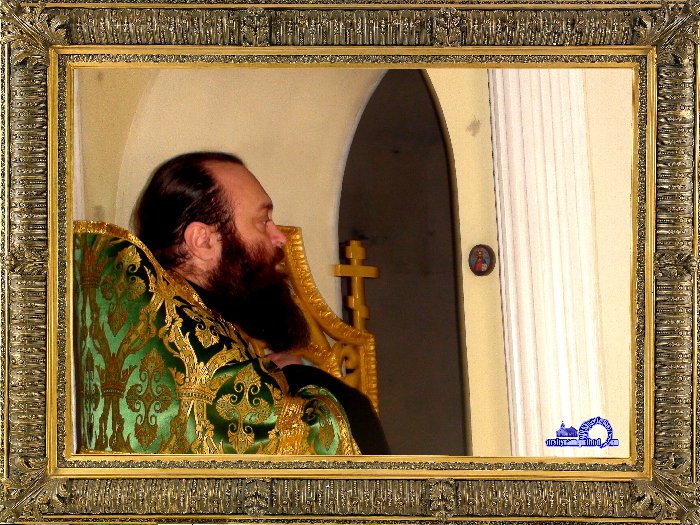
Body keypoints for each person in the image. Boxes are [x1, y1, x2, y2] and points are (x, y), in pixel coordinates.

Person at [133, 151, 389, 455]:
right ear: (202, 241)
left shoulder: (173, 323)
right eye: (263, 220)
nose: (279, 237)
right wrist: (301, 380)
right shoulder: (193, 349)